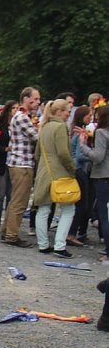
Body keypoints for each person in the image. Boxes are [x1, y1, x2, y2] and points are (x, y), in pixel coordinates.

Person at [33, 99, 76, 257]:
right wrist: (72, 169)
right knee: (68, 209)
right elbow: (64, 153)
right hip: (60, 174)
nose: (68, 115)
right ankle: (59, 244)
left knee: (43, 209)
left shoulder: (44, 127)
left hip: (44, 172)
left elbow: (37, 153)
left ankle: (43, 244)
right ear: (59, 112)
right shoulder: (60, 127)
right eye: (67, 112)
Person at [3, 87, 41, 247]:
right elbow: (37, 137)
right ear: (26, 99)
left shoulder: (22, 116)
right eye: (36, 99)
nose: (38, 102)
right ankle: (12, 235)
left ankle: (7, 230)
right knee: (20, 201)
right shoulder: (22, 117)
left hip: (18, 162)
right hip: (22, 163)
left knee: (14, 200)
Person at [79, 105, 109, 263]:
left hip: (104, 176)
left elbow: (98, 156)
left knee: (104, 216)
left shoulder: (102, 132)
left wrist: (83, 146)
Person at [68, 105, 94, 246]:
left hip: (75, 169)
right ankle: (72, 234)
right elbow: (79, 155)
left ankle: (71, 232)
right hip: (79, 170)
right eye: (88, 115)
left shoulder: (75, 130)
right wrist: (94, 155)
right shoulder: (79, 133)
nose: (90, 117)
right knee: (81, 205)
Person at [0, 101, 17, 233]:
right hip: (1, 163)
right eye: (14, 108)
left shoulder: (17, 125)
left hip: (13, 163)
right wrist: (5, 148)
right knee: (0, 194)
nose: (16, 110)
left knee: (10, 195)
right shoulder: (0, 125)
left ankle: (7, 221)